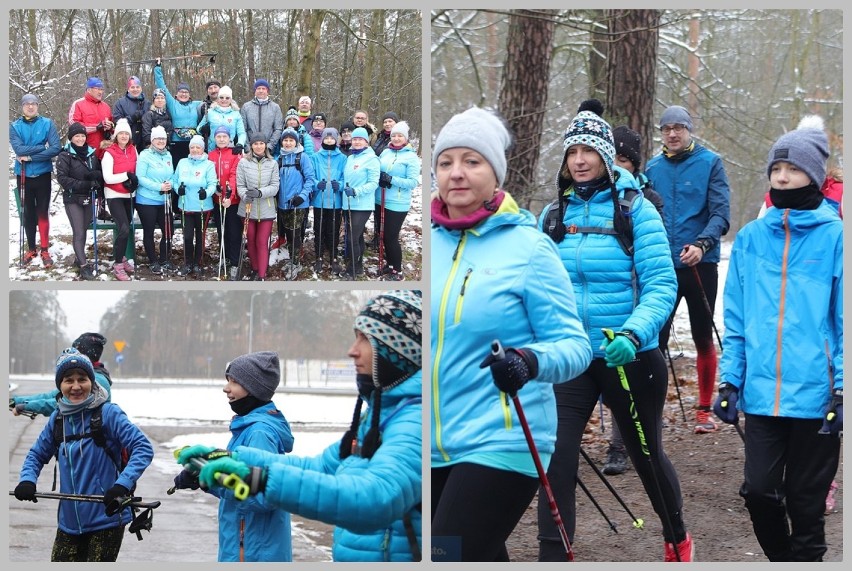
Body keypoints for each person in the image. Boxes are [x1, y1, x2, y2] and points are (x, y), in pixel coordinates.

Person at [430, 107, 593, 562]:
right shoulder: (426, 244)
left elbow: (575, 345)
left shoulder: (529, 247)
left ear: (495, 172)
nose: (457, 173)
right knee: (469, 554)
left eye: (472, 162)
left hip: (502, 438)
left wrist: (528, 361)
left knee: (446, 553)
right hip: (430, 441)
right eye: (446, 163)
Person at [537, 100, 690, 562]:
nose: (579, 160)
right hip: (572, 358)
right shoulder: (552, 216)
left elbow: (662, 285)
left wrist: (633, 333)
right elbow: (536, 286)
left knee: (645, 457)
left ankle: (676, 536)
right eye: (572, 152)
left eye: (588, 150)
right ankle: (554, 555)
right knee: (556, 458)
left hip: (629, 356)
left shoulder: (635, 211)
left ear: (605, 155)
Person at [175, 290, 423, 562]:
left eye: (365, 339)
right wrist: (233, 458)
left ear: (396, 350)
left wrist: (258, 479)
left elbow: (375, 498)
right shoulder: (377, 417)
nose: (352, 350)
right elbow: (319, 468)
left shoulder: (414, 421)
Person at [714, 116, 843, 562]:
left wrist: (843, 387)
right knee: (760, 493)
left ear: (815, 175)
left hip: (818, 396)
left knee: (807, 507)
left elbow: (843, 320)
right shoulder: (750, 239)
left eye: (792, 168)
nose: (782, 176)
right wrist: (730, 381)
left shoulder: (836, 238)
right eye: (775, 169)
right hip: (762, 394)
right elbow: (736, 318)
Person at [13, 348, 153, 562]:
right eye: (68, 380)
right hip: (68, 522)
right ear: (60, 385)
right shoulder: (57, 419)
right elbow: (36, 455)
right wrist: (27, 480)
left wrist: (121, 485)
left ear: (92, 381)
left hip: (106, 518)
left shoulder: (108, 413)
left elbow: (142, 447)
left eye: (82, 379)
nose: (76, 386)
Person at [644, 104, 731, 434]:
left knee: (701, 336)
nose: (673, 133)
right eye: (666, 128)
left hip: (700, 264)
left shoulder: (711, 163)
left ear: (689, 130)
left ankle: (704, 411)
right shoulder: (653, 168)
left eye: (679, 127)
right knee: (656, 338)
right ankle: (652, 409)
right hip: (662, 266)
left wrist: (702, 245)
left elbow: (720, 214)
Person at [172, 351, 294, 561]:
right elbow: (241, 481)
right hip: (245, 546)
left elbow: (261, 497)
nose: (226, 387)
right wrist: (204, 474)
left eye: (235, 381)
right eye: (228, 380)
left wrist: (209, 481)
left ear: (255, 388)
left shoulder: (259, 433)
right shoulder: (248, 428)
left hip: (253, 551)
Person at [602, 124, 668, 474]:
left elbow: (657, 264)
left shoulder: (648, 203)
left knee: (633, 386)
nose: (617, 164)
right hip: (607, 315)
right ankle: (618, 446)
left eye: (624, 159)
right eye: (611, 156)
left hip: (643, 310)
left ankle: (627, 445)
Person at [11, 93, 61, 268]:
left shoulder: (47, 123)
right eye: (27, 104)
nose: (30, 107)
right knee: (28, 213)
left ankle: (45, 249)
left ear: (38, 106)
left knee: (42, 212)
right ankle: (31, 248)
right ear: (22, 106)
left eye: (33, 104)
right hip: (23, 175)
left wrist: (30, 157)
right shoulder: (14, 126)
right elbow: (18, 148)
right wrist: (41, 147)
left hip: (43, 174)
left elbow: (55, 148)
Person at [11, 333, 111, 417]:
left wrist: (26, 406)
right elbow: (52, 395)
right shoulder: (90, 376)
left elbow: (63, 404)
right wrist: (17, 401)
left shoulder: (97, 380)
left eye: (76, 351)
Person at [55, 122, 103, 280]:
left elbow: (98, 172)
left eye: (82, 135)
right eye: (77, 136)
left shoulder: (91, 153)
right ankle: (84, 266)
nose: (80, 138)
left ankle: (79, 256)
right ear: (71, 138)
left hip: (89, 197)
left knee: (84, 229)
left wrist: (96, 178)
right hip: (72, 198)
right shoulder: (64, 155)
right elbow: (63, 178)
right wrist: (84, 184)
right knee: (79, 232)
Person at [375, 121, 420, 281]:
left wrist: (392, 179)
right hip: (380, 199)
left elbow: (413, 182)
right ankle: (390, 264)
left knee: (391, 236)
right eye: (394, 135)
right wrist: (380, 177)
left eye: (400, 135)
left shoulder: (411, 157)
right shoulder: (386, 153)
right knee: (382, 235)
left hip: (397, 202)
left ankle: (398, 271)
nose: (396, 138)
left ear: (406, 138)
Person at [172, 134, 218, 277]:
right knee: (187, 236)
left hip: (202, 206)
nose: (195, 150)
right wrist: (177, 189)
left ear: (203, 149)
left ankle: (198, 263)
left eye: (198, 147)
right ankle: (188, 263)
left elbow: (212, 183)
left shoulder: (208, 164)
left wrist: (207, 192)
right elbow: (175, 180)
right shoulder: (182, 162)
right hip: (186, 205)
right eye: (192, 147)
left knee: (200, 236)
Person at [236, 133, 280, 281]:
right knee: (251, 239)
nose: (259, 146)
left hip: (266, 208)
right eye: (256, 144)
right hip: (248, 208)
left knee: (262, 241)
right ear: (251, 146)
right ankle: (255, 269)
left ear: (265, 145)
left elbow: (275, 187)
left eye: (261, 143)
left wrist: (260, 193)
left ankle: (262, 275)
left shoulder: (272, 163)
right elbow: (240, 185)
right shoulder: (243, 162)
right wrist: (245, 195)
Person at [100, 118, 139, 281]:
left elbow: (137, 169)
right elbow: (107, 178)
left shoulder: (133, 150)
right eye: (121, 133)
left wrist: (134, 181)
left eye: (126, 134)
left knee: (127, 228)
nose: (124, 136)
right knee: (123, 228)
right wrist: (126, 176)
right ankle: (117, 265)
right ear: (116, 135)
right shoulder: (109, 153)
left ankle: (121, 256)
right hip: (114, 194)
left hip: (129, 194)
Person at [340, 127, 380, 279]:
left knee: (351, 238)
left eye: (360, 139)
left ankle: (352, 269)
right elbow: (346, 179)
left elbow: (373, 183)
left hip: (362, 204)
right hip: (347, 202)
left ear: (366, 141)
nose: (356, 142)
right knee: (357, 237)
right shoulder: (351, 158)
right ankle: (359, 266)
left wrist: (357, 191)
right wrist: (341, 186)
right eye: (354, 139)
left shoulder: (372, 159)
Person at [135, 125, 176, 275]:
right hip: (147, 200)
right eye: (158, 138)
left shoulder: (168, 155)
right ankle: (153, 261)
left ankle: (164, 258)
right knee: (149, 231)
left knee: (169, 230)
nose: (161, 141)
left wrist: (170, 183)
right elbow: (140, 178)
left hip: (164, 199)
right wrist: (158, 186)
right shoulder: (145, 155)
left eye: (163, 138)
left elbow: (172, 174)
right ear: (152, 140)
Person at [276, 128, 316, 280]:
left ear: (296, 142)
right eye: (285, 140)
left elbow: (310, 178)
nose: (288, 143)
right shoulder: (280, 158)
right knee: (288, 232)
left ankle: (296, 262)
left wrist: (302, 196)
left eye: (291, 140)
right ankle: (293, 260)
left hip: (298, 203)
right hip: (283, 203)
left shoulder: (302, 157)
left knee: (295, 233)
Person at [208, 125, 243, 280]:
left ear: (229, 138)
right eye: (218, 136)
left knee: (234, 232)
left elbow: (235, 176)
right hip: (217, 200)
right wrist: (214, 189)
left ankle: (236, 262)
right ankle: (226, 257)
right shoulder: (211, 155)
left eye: (224, 137)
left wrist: (230, 195)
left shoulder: (235, 154)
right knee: (222, 231)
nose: (221, 139)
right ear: (214, 138)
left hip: (232, 201)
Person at [310, 127, 346, 275]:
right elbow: (310, 176)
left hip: (335, 201)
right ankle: (318, 256)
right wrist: (317, 184)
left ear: (336, 139)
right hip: (320, 200)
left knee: (333, 229)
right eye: (326, 138)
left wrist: (341, 185)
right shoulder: (315, 157)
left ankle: (333, 257)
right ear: (323, 139)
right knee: (319, 228)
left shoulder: (343, 158)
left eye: (332, 138)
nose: (329, 140)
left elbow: (346, 177)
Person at [153, 59, 202, 165]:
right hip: (176, 142)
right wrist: (158, 68)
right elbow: (162, 86)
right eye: (181, 92)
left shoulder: (196, 104)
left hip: (193, 143)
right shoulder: (173, 103)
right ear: (177, 93)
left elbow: (212, 104)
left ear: (189, 94)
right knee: (177, 167)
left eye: (186, 92)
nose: (183, 94)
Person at [68, 77, 114, 159]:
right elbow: (74, 126)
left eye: (102, 89)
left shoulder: (106, 106)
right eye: (98, 89)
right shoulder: (78, 104)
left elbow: (112, 125)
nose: (100, 92)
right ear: (89, 90)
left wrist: (110, 127)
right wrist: (96, 127)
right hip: (85, 152)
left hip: (104, 152)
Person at [197, 85, 246, 154]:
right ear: (217, 99)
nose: (224, 100)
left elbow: (241, 133)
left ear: (231, 99)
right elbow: (198, 128)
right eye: (221, 97)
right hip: (213, 150)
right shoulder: (210, 112)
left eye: (227, 98)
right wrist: (202, 129)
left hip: (230, 149)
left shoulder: (236, 114)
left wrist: (240, 144)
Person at [241, 79, 283, 157]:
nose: (261, 91)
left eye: (263, 89)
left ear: (267, 91)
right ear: (255, 91)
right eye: (258, 88)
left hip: (269, 152)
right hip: (250, 151)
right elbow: (243, 129)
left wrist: (269, 147)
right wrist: (248, 147)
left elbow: (278, 129)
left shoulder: (275, 107)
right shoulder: (246, 107)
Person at [112, 76, 147, 150]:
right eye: (132, 87)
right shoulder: (120, 103)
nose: (135, 89)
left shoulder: (147, 103)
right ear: (128, 89)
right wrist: (132, 117)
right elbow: (117, 122)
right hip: (127, 142)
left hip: (144, 142)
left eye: (137, 87)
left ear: (141, 88)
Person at [196, 80, 222, 146]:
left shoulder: (230, 104)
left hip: (228, 143)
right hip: (209, 144)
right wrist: (202, 129)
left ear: (220, 88)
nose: (213, 90)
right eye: (210, 88)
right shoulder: (202, 106)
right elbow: (198, 126)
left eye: (215, 87)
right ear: (207, 91)